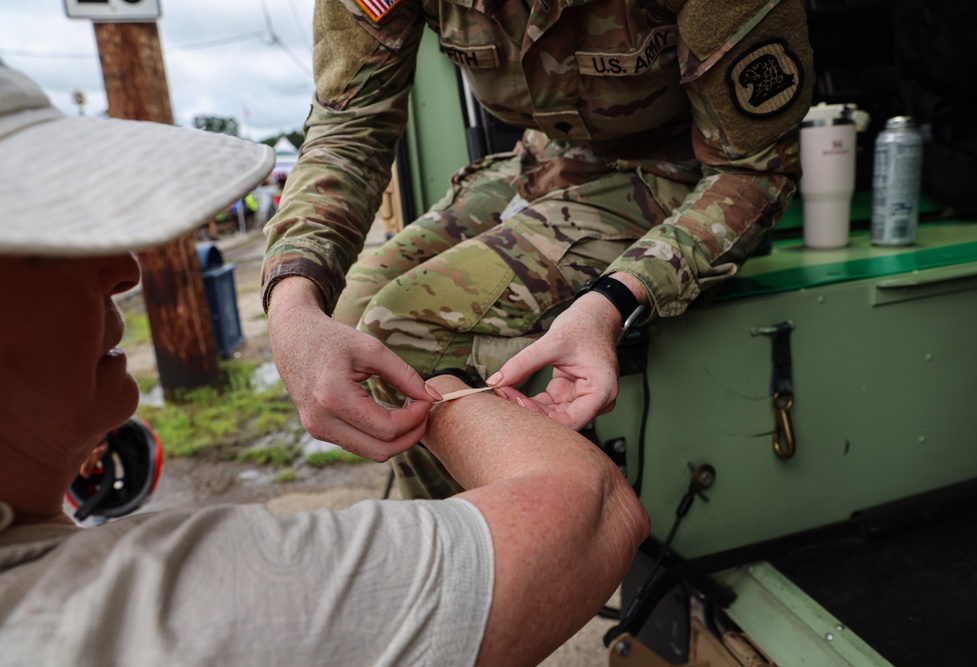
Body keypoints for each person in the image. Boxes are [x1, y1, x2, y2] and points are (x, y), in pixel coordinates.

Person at [0, 62, 648, 665]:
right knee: (395, 319)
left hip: (625, 174)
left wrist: (294, 302)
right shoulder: (168, 609)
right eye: (53, 247)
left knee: (371, 308)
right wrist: (447, 381)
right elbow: (593, 511)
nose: (122, 270)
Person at [261, 0, 816, 497]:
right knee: (352, 314)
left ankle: (515, 562)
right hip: (548, 160)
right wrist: (290, 308)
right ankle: (473, 536)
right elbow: (348, 130)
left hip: (684, 175)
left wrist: (610, 304)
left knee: (404, 328)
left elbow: (754, 169)